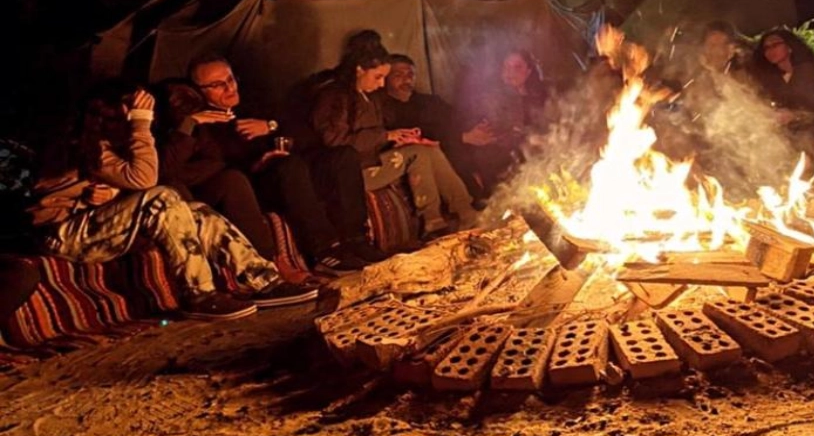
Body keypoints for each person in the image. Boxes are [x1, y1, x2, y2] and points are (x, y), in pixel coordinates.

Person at [26, 81, 316, 320]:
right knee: (163, 197)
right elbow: (145, 180)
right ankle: (199, 293)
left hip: (98, 222)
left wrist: (114, 193)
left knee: (197, 212)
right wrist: (140, 124)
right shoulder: (89, 147)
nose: (141, 114)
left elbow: (136, 182)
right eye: (131, 108)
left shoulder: (115, 145)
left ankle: (263, 280)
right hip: (64, 233)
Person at [162, 54, 385, 275]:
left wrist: (270, 126)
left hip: (292, 174)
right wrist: (256, 163)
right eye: (217, 85)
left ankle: (356, 240)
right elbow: (200, 168)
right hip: (256, 185)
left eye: (230, 79)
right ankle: (324, 251)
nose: (229, 88)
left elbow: (310, 136)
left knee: (342, 156)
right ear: (199, 90)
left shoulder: (252, 102)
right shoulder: (197, 122)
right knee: (288, 166)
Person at [315, 49, 477, 238]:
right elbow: (336, 141)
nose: (381, 83)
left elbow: (379, 135)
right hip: (353, 172)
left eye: (384, 77)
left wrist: (400, 139)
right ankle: (432, 221)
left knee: (427, 149)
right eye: (378, 77)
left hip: (372, 159)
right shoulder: (336, 98)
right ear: (359, 70)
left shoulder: (370, 97)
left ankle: (466, 212)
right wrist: (386, 136)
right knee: (418, 153)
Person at [457, 50, 548, 196]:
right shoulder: (488, 97)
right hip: (500, 158)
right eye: (506, 67)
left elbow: (549, 127)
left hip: (535, 155)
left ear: (529, 71)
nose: (511, 72)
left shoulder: (539, 97)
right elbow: (488, 130)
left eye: (517, 67)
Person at [745, 28, 814, 129]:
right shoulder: (769, 78)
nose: (770, 50)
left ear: (790, 46)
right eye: (766, 48)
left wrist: (795, 115)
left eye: (775, 45)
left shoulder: (809, 71)